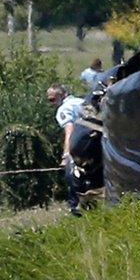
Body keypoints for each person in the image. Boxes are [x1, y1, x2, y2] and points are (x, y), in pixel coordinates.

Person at [46, 84, 85, 216]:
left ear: (62, 95)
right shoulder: (81, 101)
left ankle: (76, 211)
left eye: (52, 99)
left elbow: (69, 130)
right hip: (97, 143)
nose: (51, 103)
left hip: (80, 147)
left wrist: (66, 155)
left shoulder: (64, 109)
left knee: (71, 177)